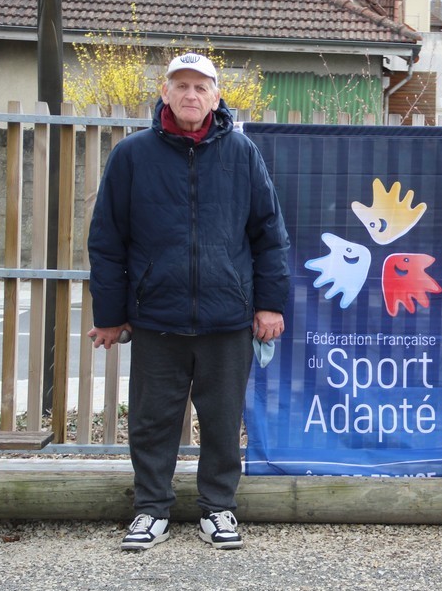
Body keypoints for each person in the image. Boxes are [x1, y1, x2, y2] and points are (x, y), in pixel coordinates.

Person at [87, 52, 290, 551]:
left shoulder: (242, 154)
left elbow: (269, 234)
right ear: (165, 92)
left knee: (222, 421)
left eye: (201, 87)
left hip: (227, 316)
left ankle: (218, 508)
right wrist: (110, 316)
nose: (191, 95)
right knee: (152, 421)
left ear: (217, 96)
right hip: (157, 318)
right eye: (181, 86)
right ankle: (150, 509)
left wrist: (269, 304)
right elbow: (107, 240)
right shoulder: (132, 155)